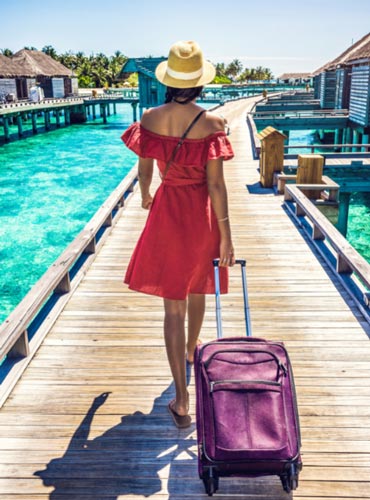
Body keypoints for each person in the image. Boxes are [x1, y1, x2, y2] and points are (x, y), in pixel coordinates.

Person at [121, 40, 235, 428]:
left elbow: (145, 170)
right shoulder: (213, 124)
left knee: (173, 307)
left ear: (169, 79)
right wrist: (227, 237)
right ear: (200, 83)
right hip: (201, 217)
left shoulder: (150, 117)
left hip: (167, 213)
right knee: (199, 284)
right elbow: (217, 187)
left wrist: (146, 197)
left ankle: (182, 398)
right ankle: (191, 351)